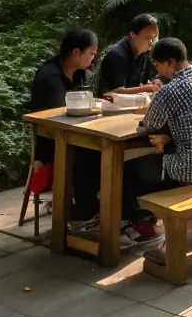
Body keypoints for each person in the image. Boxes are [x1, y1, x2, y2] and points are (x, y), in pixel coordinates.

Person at [125, 38, 192, 261]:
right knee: (150, 165)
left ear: (171, 62)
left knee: (126, 171)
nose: (156, 70)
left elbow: (150, 124)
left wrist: (162, 133)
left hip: (191, 170)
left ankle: (142, 228)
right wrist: (169, 135)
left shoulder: (170, 90)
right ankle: (146, 222)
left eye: (157, 65)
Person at [28, 28, 102, 225]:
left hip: (77, 133)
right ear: (76, 53)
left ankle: (100, 207)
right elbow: (57, 116)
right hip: (51, 141)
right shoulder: (49, 76)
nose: (93, 59)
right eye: (91, 54)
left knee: (104, 152)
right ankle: (83, 214)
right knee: (91, 156)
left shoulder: (81, 74)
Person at [97, 13, 162, 98]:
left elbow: (133, 87)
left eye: (154, 38)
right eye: (147, 38)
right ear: (132, 35)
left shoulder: (143, 54)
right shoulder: (117, 55)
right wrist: (147, 88)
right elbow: (115, 93)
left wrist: (150, 85)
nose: (151, 43)